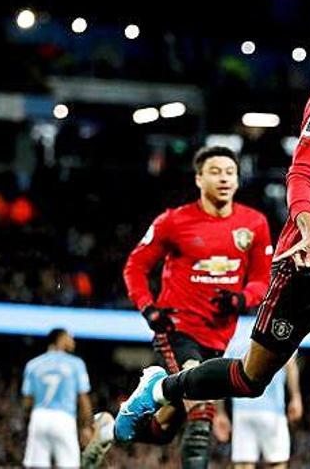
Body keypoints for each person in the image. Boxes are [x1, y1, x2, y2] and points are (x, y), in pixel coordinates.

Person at [115, 0, 310, 468]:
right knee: (248, 379)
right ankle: (161, 387)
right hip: (309, 265)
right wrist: (305, 222)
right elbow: (301, 173)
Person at [88, 145, 272, 469]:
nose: (224, 178)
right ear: (199, 178)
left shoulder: (254, 224)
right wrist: (148, 308)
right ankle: (151, 394)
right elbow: (135, 267)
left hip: (217, 339)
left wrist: (242, 299)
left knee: (163, 431)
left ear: (239, 181)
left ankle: (111, 428)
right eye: (215, 172)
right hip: (177, 330)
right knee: (201, 412)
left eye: (230, 172)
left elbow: (261, 279)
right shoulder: (174, 221)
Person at [221, 339, 302, 469]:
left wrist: (220, 412)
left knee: (243, 463)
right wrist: (296, 397)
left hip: (242, 411)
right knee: (277, 462)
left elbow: (222, 373)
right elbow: (290, 364)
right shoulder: (275, 321)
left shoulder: (235, 331)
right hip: (273, 410)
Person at [22, 328, 93, 468]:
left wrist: (30, 423)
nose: (73, 341)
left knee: (37, 465)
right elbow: (83, 399)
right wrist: (86, 427)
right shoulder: (76, 364)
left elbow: (27, 403)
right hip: (64, 418)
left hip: (39, 416)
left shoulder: (33, 365)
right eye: (70, 337)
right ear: (60, 338)